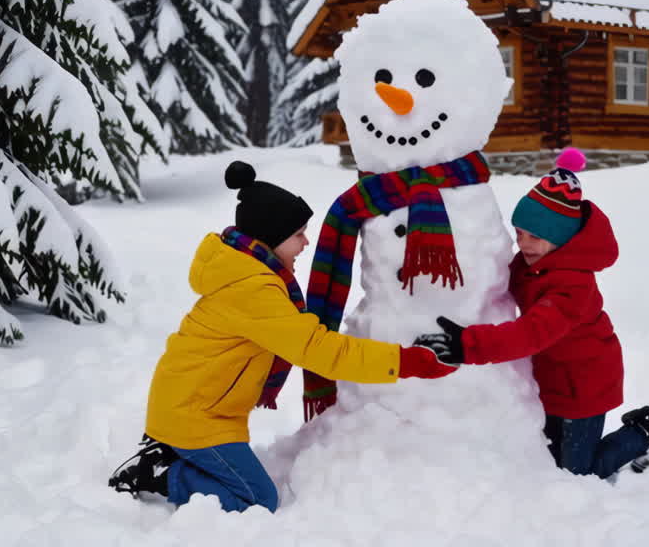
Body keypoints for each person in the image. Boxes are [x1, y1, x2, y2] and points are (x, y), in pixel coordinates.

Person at [109, 160, 457, 512]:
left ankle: (167, 450)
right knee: (257, 499)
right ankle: (161, 473)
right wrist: (403, 360)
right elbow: (315, 348)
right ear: (270, 237)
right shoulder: (252, 290)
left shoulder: (247, 272)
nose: (306, 241)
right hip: (196, 417)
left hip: (194, 407)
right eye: (298, 234)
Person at [414, 148, 649, 480]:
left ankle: (644, 434)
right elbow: (497, 280)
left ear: (560, 238)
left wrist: (467, 345)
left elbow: (531, 333)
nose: (524, 243)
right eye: (519, 234)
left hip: (585, 384)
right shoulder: (531, 263)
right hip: (552, 378)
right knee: (550, 458)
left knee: (578, 472)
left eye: (534, 236)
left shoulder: (572, 286)